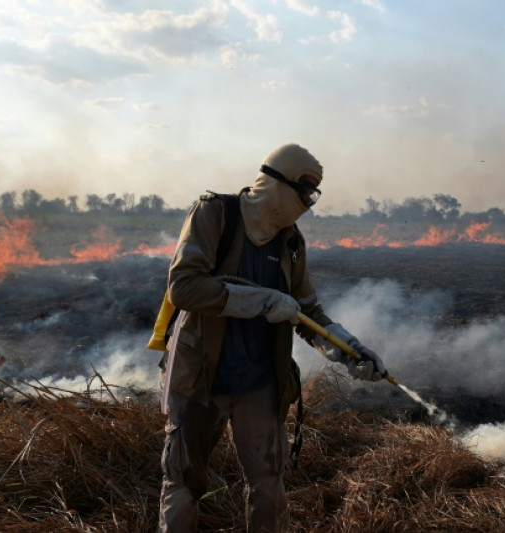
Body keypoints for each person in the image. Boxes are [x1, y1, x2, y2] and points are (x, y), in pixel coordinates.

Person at [157, 143, 387, 533]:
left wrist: (351, 351)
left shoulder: (292, 243)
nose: (308, 202)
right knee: (183, 482)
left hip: (261, 380)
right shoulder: (215, 214)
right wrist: (259, 301)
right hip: (199, 378)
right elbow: (184, 288)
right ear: (279, 182)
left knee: (268, 482)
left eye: (314, 193)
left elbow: (306, 313)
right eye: (305, 190)